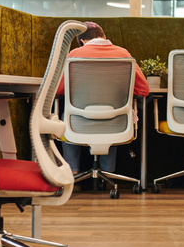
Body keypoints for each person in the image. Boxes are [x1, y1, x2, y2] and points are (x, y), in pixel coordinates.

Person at [54, 22, 149, 183]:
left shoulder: (75, 54)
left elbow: (58, 90)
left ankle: (72, 172)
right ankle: (107, 174)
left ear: (82, 40)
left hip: (80, 121)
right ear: (103, 36)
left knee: (65, 118)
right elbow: (143, 90)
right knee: (115, 114)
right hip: (115, 121)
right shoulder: (124, 54)